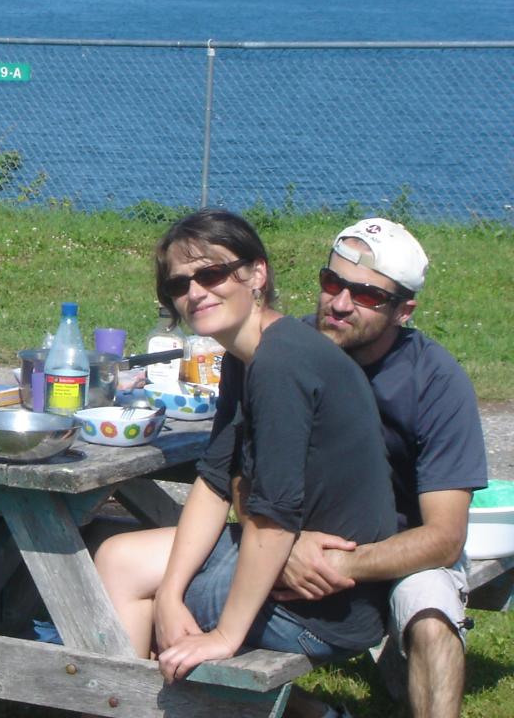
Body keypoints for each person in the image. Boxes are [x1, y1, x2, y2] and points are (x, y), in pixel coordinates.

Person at [95, 209, 399, 684]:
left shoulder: (280, 364)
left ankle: (122, 703)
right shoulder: (248, 351)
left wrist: (224, 637)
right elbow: (215, 481)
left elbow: (274, 521)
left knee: (124, 591)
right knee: (117, 558)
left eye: (211, 273)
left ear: (257, 274)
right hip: (290, 569)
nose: (195, 293)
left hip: (324, 606)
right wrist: (171, 595)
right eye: (179, 285)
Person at [278, 218, 487, 718]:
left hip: (399, 551)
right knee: (184, 587)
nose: (340, 303)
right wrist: (285, 544)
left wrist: (342, 565)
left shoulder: (435, 382)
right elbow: (237, 473)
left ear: (403, 310)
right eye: (332, 283)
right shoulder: (286, 351)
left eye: (366, 295)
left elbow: (443, 538)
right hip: (296, 543)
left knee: (431, 615)